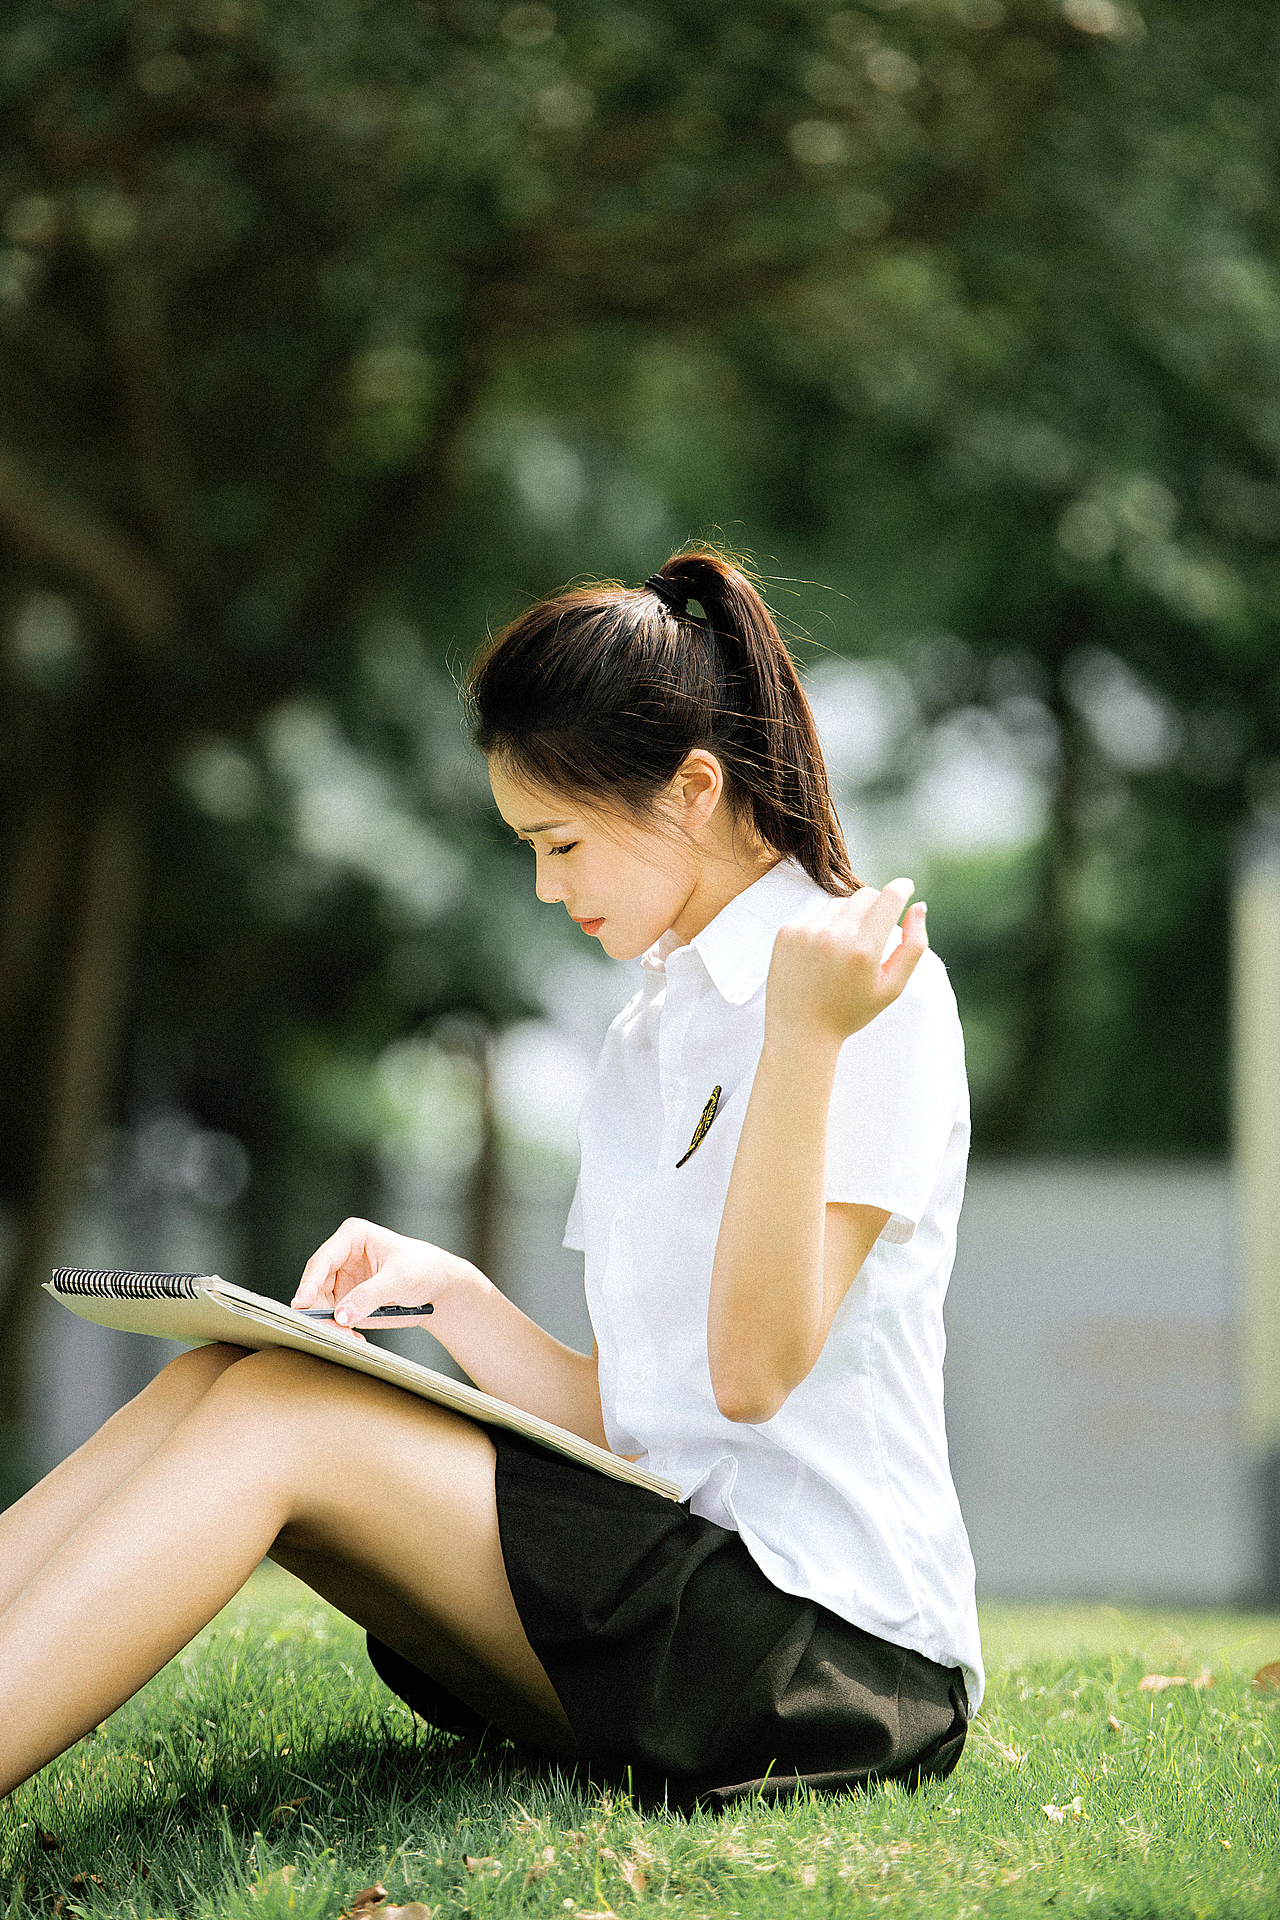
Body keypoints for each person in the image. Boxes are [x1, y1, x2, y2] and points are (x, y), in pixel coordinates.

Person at [0, 551, 981, 1811]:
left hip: (831, 1655)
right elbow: (636, 1424)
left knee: (277, 1417)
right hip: (678, 1585)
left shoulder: (871, 997)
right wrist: (454, 1297)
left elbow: (751, 1377)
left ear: (692, 791)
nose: (544, 884)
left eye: (561, 842)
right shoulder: (648, 1032)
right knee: (217, 1377)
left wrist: (800, 1036)